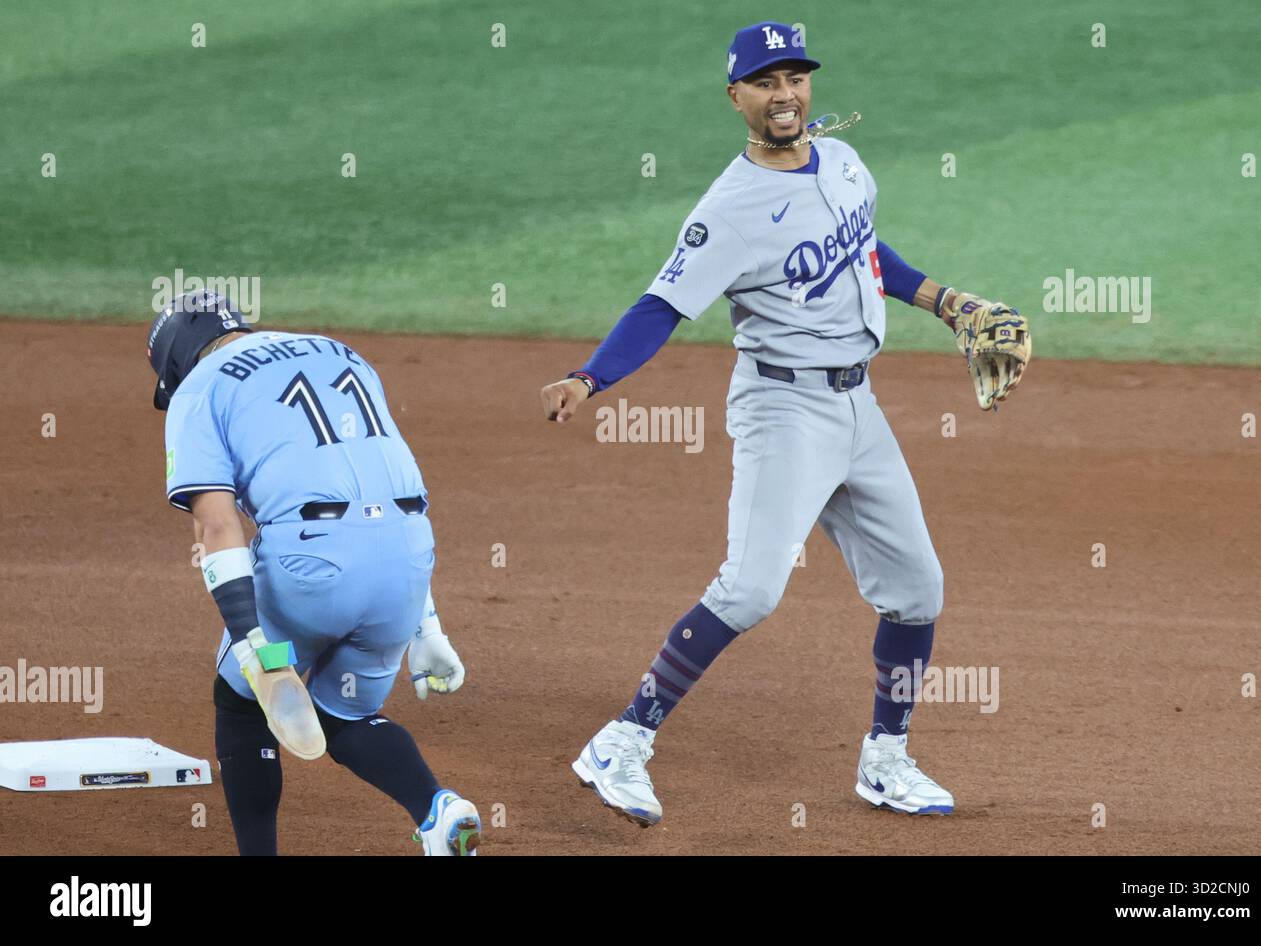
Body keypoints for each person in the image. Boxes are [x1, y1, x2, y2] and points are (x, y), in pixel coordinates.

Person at [540, 21, 1030, 825]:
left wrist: (945, 301)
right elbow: (660, 305)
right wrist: (589, 378)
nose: (785, 94)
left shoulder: (842, 161)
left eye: (795, 78)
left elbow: (865, 251)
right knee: (750, 590)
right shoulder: (728, 212)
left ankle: (886, 760)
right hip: (784, 410)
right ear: (735, 96)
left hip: (858, 408)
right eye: (766, 82)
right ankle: (623, 740)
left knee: (917, 590)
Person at [148, 288, 481, 855]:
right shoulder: (342, 353)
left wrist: (253, 646)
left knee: (243, 702)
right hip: (409, 556)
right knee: (347, 714)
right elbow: (388, 495)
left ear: (177, 360)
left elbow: (218, 528)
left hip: (312, 567)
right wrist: (427, 627)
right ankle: (437, 808)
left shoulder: (200, 388)